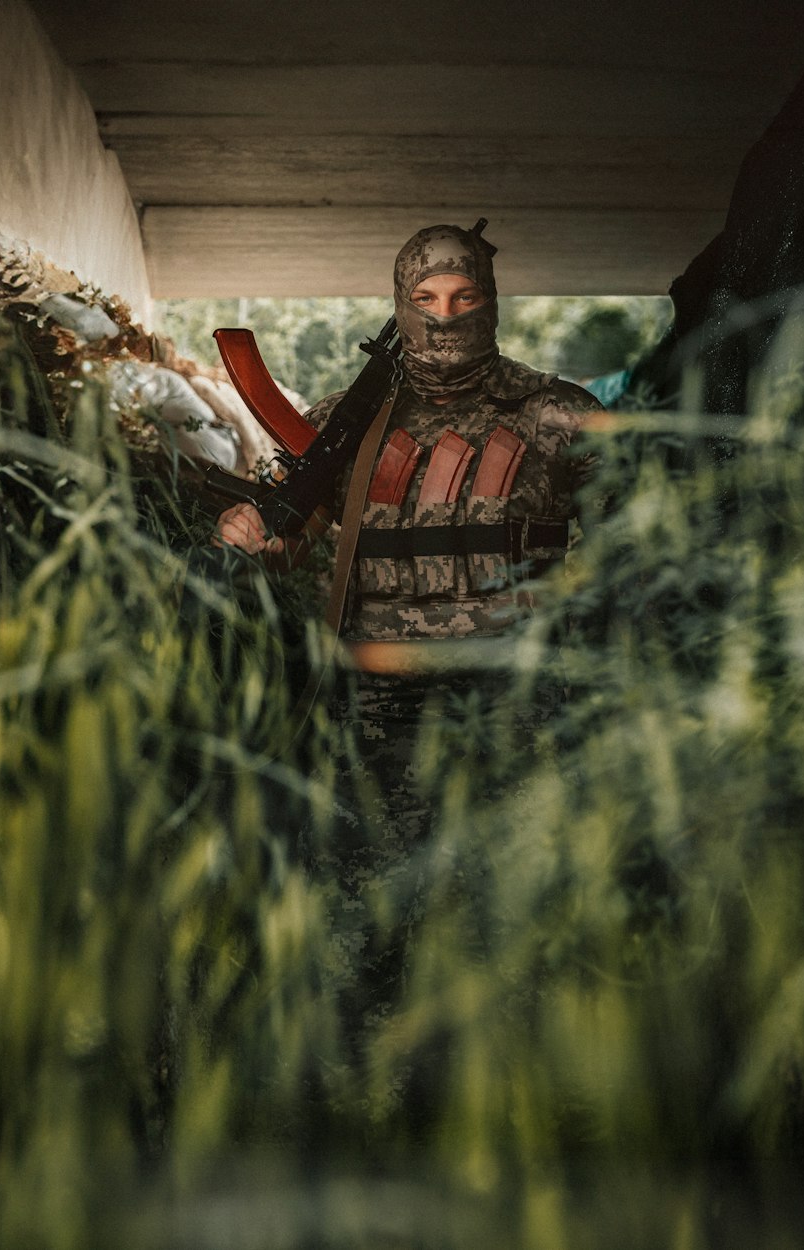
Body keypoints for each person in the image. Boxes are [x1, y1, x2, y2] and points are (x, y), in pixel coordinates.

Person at [213, 221, 603, 1025]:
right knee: (369, 904)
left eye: (464, 297)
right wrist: (255, 532)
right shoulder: (345, 420)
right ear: (398, 305)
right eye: (424, 299)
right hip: (375, 695)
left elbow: (639, 543)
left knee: (515, 905)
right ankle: (375, 1078)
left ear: (492, 302)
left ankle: (518, 1072)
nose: (446, 316)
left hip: (512, 691)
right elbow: (294, 540)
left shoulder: (558, 415)